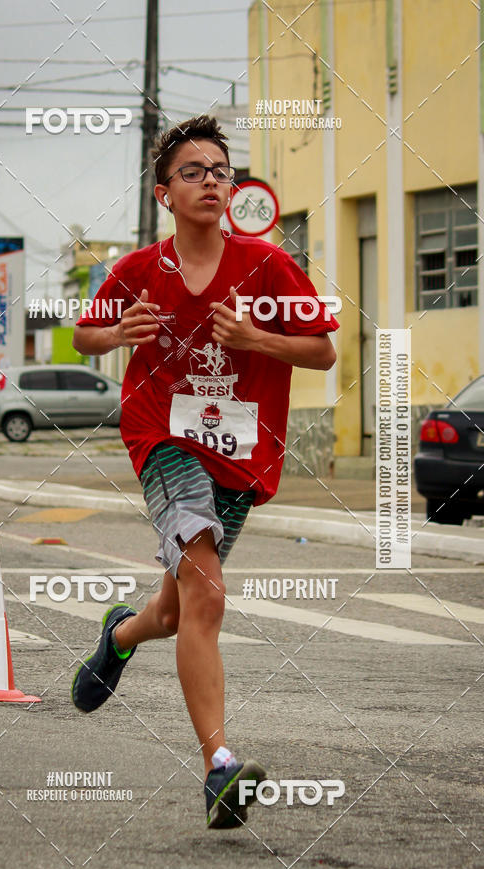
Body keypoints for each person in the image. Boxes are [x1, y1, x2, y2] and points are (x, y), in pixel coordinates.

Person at [71, 115, 338, 829]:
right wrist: (116, 332)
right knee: (209, 595)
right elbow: (85, 333)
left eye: (221, 171)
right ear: (164, 193)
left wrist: (256, 338)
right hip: (163, 438)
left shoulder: (267, 266)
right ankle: (220, 766)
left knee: (177, 610)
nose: (211, 181)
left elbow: (322, 350)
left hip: (240, 454)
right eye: (193, 172)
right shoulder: (139, 270)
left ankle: (120, 635)